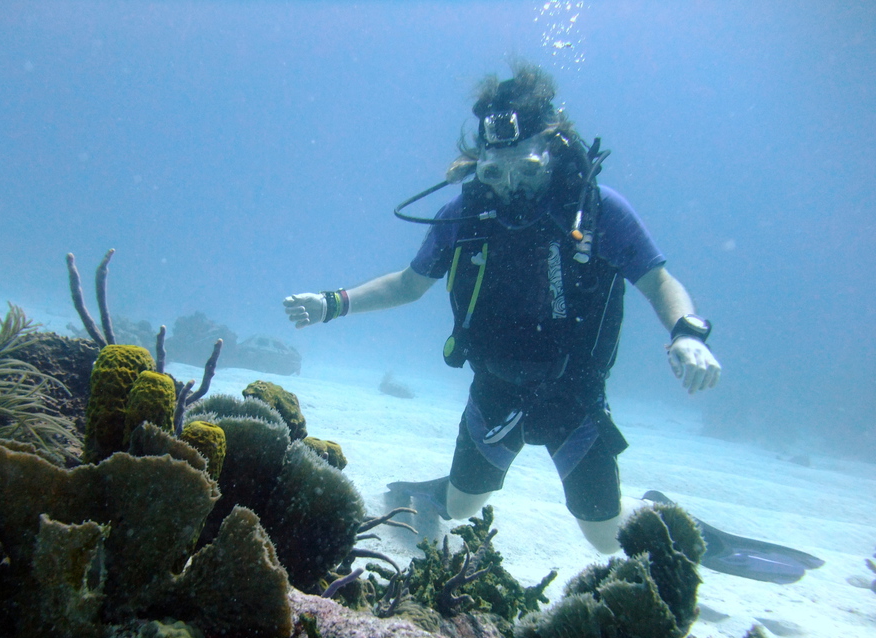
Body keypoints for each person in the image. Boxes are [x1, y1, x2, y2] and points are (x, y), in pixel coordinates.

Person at [283, 61, 721, 554]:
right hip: (494, 388)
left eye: (527, 169)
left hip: (574, 395)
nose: (511, 186)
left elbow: (658, 281)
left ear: (553, 152)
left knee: (604, 540)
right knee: (462, 508)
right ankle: (444, 492)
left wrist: (687, 333)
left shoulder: (599, 211)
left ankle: (659, 515)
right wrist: (332, 303)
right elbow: (408, 285)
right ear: (479, 163)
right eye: (496, 171)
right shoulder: (464, 215)